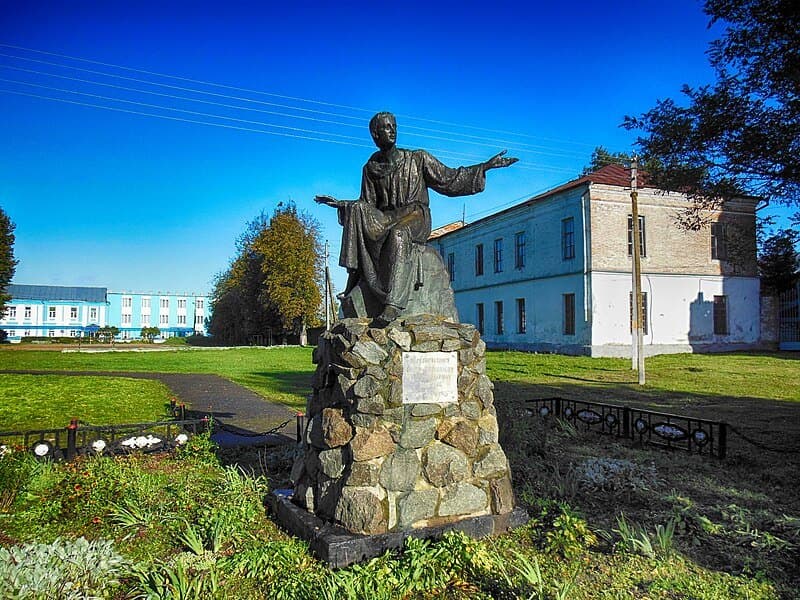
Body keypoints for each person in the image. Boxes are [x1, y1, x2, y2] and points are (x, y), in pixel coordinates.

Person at [316, 111, 517, 326]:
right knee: (356, 208)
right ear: (375, 135)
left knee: (398, 234)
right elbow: (368, 204)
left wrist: (484, 167)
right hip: (385, 218)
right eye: (386, 127)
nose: (392, 130)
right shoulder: (370, 169)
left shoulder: (417, 158)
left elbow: (449, 179)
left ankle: (393, 304)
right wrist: (343, 205)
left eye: (393, 126)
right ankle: (355, 280)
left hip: (415, 215)